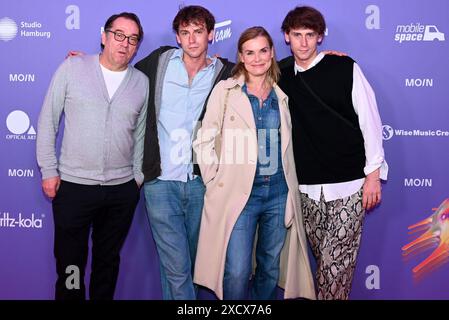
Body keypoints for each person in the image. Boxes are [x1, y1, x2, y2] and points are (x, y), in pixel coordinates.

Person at [193, 26, 315, 300]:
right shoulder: (226, 91)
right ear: (240, 56)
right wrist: (213, 180)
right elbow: (204, 139)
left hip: (277, 194)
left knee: (269, 269)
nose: (257, 58)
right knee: (236, 272)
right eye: (250, 52)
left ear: (272, 53)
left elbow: (312, 64)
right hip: (238, 195)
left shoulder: (282, 94)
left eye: (263, 51)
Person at [278, 6, 388, 300]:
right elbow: (247, 72)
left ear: (320, 37)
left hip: (350, 187)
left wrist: (373, 177)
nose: (303, 42)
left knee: (333, 265)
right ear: (287, 37)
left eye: (310, 35)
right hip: (306, 190)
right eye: (297, 35)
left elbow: (370, 122)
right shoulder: (281, 75)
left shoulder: (345, 68)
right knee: (327, 265)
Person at [36, 12, 148, 300]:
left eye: (133, 39)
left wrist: (136, 178)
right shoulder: (73, 68)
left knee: (107, 263)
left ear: (137, 46)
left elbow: (140, 135)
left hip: (120, 191)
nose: (125, 44)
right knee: (71, 265)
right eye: (119, 35)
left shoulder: (141, 83)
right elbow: (48, 119)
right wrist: (49, 170)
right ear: (104, 36)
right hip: (73, 188)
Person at [133, 5, 234, 299]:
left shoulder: (225, 72)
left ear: (211, 35)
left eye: (198, 32)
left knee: (187, 267)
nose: (192, 40)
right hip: (160, 182)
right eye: (185, 33)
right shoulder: (159, 62)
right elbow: (120, 72)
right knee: (177, 269)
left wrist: (317, 59)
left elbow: (263, 67)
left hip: (202, 184)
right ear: (177, 37)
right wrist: (90, 63)